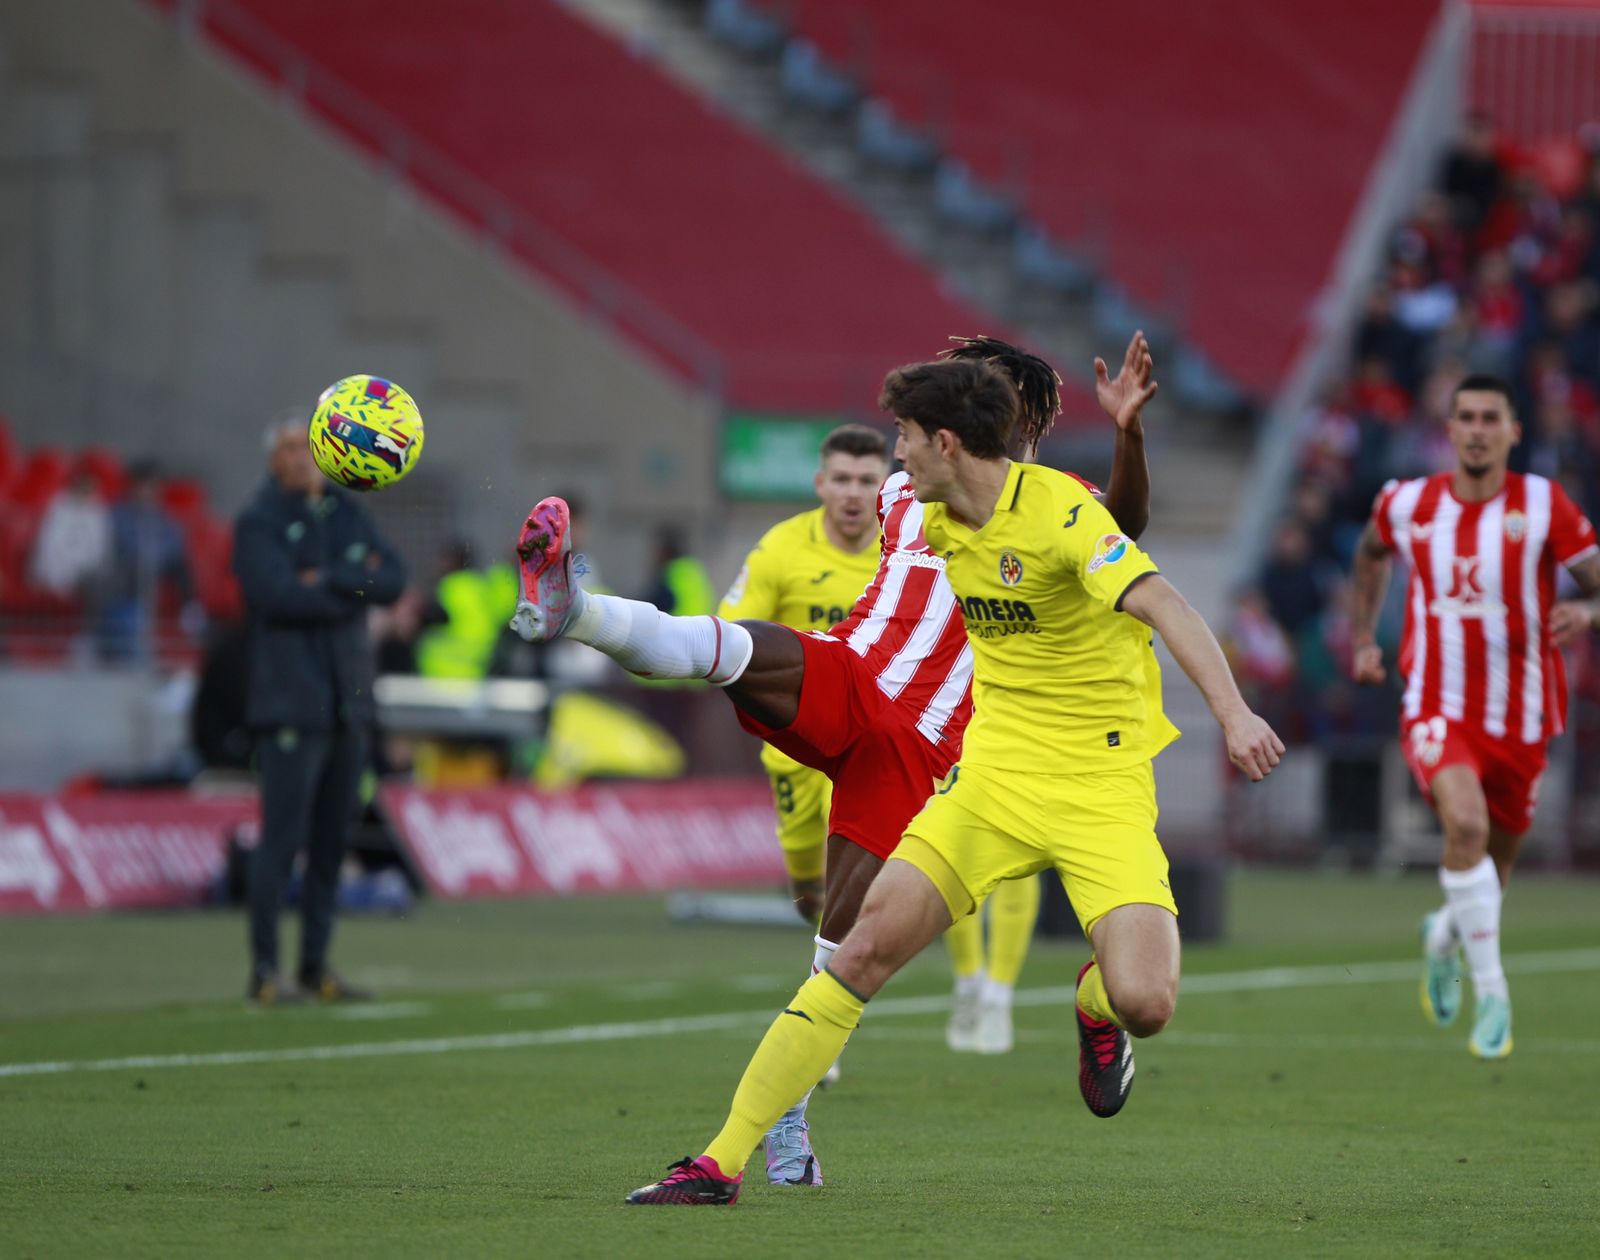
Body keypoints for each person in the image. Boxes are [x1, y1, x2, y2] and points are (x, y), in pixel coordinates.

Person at [617, 356, 1281, 1206]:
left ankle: (1094, 1002)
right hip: (991, 782)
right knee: (858, 954)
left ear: (946, 443)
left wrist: (1235, 715)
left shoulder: (1059, 511)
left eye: (902, 438)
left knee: (1145, 1000)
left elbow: (1162, 597)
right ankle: (718, 1162)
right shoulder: (928, 514)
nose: (894, 456)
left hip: (1100, 787)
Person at [512, 333, 1156, 1185]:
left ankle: (787, 1130)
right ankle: (574, 607)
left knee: (840, 956)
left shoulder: (1058, 504)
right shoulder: (905, 487)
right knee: (723, 648)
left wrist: (1128, 437)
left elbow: (1128, 525)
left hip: (921, 749)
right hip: (848, 672)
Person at [1349, 373, 1599, 1059]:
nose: (1479, 428)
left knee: (1492, 870)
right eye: (1467, 416)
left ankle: (1444, 934)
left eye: (1492, 417)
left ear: (1514, 431)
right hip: (1438, 705)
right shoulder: (1408, 504)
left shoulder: (1544, 505)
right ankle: (1494, 995)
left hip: (1523, 719)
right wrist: (1367, 637)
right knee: (1464, 825)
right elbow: (1369, 554)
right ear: (1450, 428)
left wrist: (1589, 609)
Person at [233, 416, 405, 1004]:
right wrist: (354, 584)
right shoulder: (258, 523)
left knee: (332, 842)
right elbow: (275, 594)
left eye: (306, 446)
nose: (301, 457)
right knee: (280, 841)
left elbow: (394, 581)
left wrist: (327, 578)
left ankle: (314, 967)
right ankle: (263, 971)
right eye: (287, 448)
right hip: (290, 702)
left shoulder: (349, 511)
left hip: (347, 702)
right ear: (272, 462)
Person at [717, 423, 889, 924]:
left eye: (865, 480)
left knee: (864, 877)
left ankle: (848, 979)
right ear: (820, 484)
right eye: (842, 479)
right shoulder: (782, 548)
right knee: (808, 893)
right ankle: (831, 955)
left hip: (871, 735)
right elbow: (730, 635)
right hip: (797, 738)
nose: (853, 493)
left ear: (887, 484)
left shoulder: (906, 550)